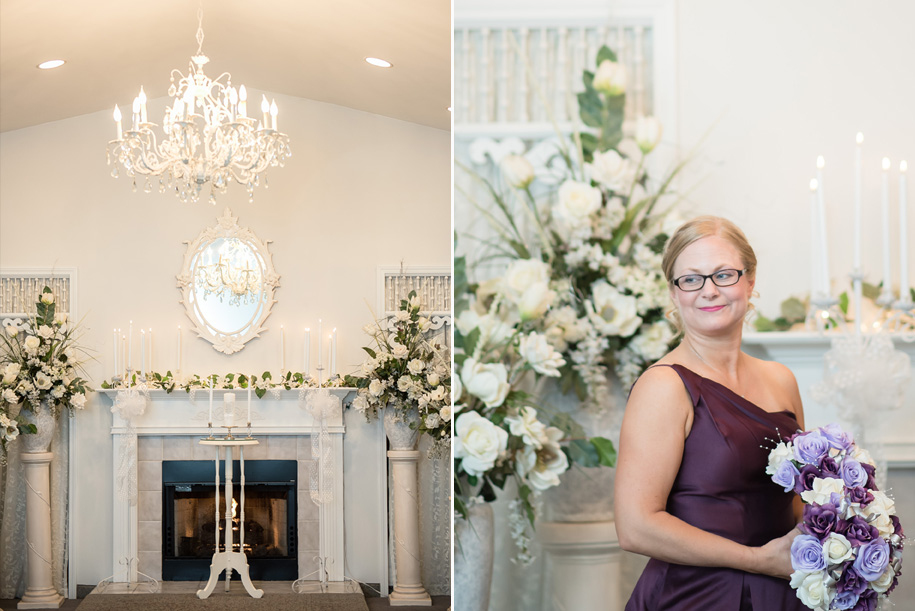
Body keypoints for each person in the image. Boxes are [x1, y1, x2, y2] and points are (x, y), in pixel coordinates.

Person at [615, 216, 808, 610]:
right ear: (673, 292)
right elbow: (635, 528)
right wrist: (759, 561)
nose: (709, 291)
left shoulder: (781, 379)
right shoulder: (664, 386)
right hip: (697, 596)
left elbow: (798, 500)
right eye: (691, 279)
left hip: (786, 592)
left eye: (724, 274)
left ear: (749, 280)